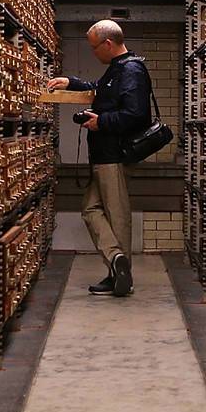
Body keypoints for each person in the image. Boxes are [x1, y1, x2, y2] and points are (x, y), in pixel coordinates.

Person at [46, 19, 152, 297]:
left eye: (95, 48)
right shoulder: (117, 70)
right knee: (92, 210)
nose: (94, 53)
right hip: (105, 154)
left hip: (114, 154)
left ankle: (120, 271)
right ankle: (117, 263)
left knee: (116, 217)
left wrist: (100, 122)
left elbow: (137, 114)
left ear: (108, 43)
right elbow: (101, 91)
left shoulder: (131, 70)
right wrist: (72, 82)